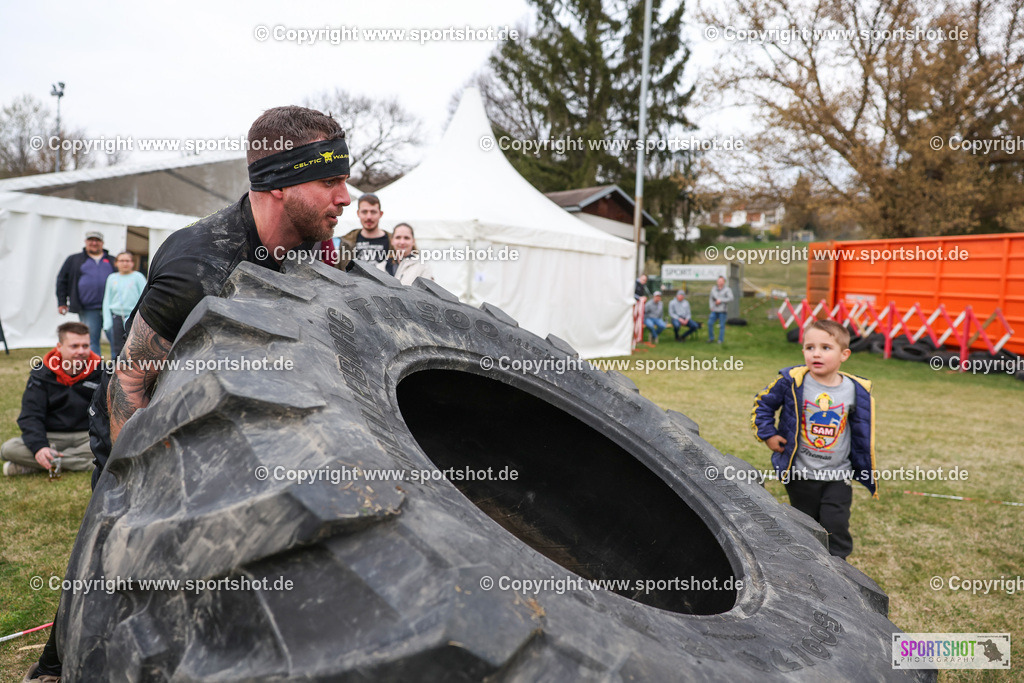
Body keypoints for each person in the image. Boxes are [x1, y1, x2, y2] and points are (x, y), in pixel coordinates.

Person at [23, 105, 352, 683]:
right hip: (142, 423)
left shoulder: (313, 254)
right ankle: (55, 667)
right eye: (330, 181)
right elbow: (129, 381)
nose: (346, 196)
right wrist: (142, 480)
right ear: (276, 183)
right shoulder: (200, 262)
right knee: (115, 552)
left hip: (225, 419)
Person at [751, 320, 877, 559]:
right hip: (800, 473)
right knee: (803, 526)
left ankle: (840, 572)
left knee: (835, 525)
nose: (816, 354)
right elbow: (763, 404)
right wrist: (768, 434)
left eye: (826, 348)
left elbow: (859, 429)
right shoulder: (791, 381)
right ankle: (806, 567)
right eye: (810, 348)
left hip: (837, 475)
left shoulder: (854, 389)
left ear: (844, 354)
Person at [1, 323, 101, 476]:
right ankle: (89, 463)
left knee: (118, 444)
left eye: (85, 345)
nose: (81, 351)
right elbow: (30, 416)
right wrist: (40, 447)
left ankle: (39, 464)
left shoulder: (101, 372)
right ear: (59, 346)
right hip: (52, 436)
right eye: (74, 346)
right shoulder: (41, 375)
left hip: (87, 437)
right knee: (8, 449)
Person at [56, 231, 115, 355]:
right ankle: (96, 370)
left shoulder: (112, 260)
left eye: (97, 240)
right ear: (86, 242)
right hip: (88, 309)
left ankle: (119, 368)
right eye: (91, 240)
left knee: (116, 339)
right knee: (91, 340)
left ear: (102, 243)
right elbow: (62, 280)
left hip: (111, 308)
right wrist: (62, 302)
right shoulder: (74, 259)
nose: (94, 243)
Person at [102, 251, 147, 358]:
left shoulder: (138, 277)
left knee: (134, 347)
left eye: (127, 261)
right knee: (117, 348)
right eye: (121, 261)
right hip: (116, 317)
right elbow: (107, 300)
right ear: (116, 263)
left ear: (132, 263)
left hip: (134, 317)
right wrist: (107, 321)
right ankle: (114, 371)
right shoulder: (112, 278)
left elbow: (144, 297)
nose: (124, 263)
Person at [339, 193, 391, 264]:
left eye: (373, 212)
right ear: (358, 213)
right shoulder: (346, 241)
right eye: (364, 212)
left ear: (380, 214)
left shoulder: (395, 242)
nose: (369, 217)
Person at [707, 275, 733, 344]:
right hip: (714, 310)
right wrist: (711, 306)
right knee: (710, 323)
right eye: (718, 281)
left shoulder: (727, 289)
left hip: (722, 311)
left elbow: (731, 298)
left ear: (724, 282)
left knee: (722, 326)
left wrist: (721, 300)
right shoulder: (713, 289)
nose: (719, 282)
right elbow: (711, 298)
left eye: (721, 281)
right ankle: (711, 338)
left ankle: (720, 340)